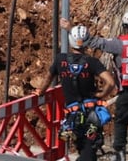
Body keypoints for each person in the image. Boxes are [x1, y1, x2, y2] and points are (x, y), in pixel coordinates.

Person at [80, 7, 128, 161]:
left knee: (121, 122)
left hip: (127, 92)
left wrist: (72, 30)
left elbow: (95, 42)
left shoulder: (121, 43)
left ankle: (120, 152)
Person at [45, 25, 117, 161]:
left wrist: (40, 91)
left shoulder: (60, 60)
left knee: (83, 146)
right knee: (89, 147)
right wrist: (101, 95)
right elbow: (111, 82)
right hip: (91, 112)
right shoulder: (92, 62)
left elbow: (48, 78)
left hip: (73, 114)